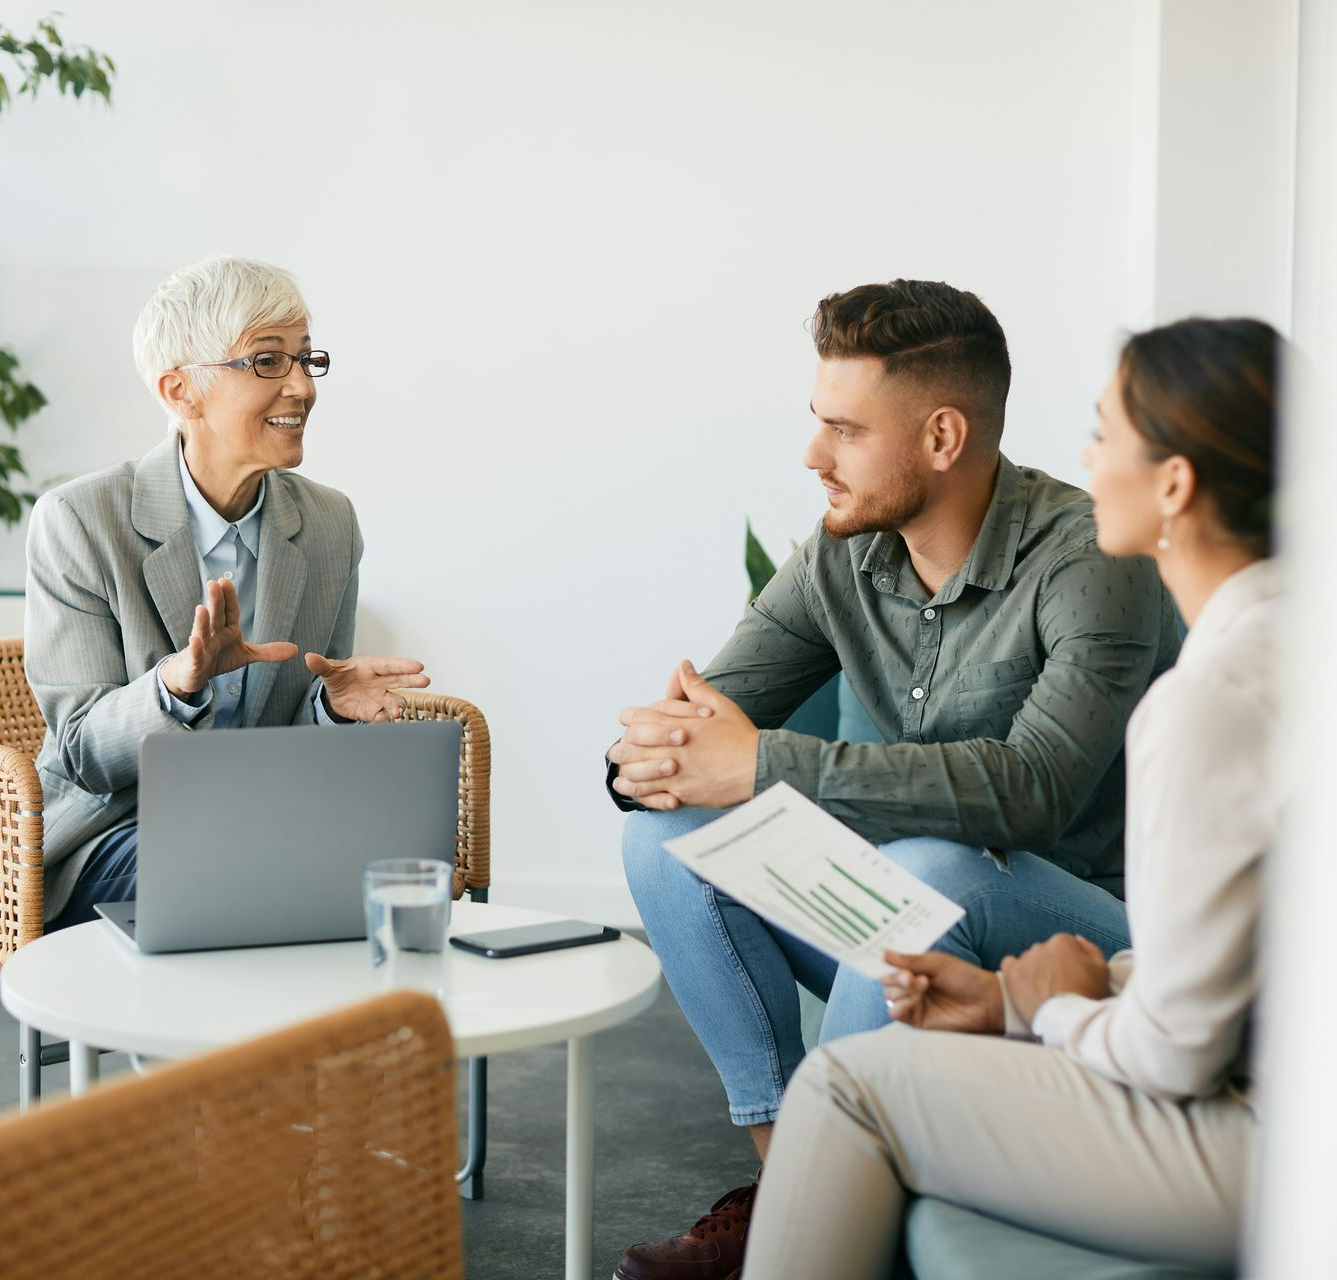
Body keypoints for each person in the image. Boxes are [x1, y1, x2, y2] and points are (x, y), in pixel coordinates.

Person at [608, 279, 1181, 1280]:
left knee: (935, 868)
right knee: (662, 838)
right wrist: (648, 758)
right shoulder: (843, 554)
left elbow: (1033, 786)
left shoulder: (1089, 555)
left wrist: (759, 761)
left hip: (1091, 937)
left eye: (843, 429)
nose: (811, 456)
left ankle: (818, 1216)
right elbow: (700, 725)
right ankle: (793, 1186)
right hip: (908, 934)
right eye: (815, 423)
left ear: (941, 436)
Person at [740, 316, 1278, 1278]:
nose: (1081, 457)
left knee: (846, 1085)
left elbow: (1177, 1058)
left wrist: (1052, 1009)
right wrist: (1005, 1000)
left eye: (1104, 431)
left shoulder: (1207, 703)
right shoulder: (1283, 646)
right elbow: (1262, 969)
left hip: (1278, 1149)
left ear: (1173, 485)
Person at [25, 256, 428, 929]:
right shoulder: (79, 521)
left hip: (266, 819)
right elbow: (77, 753)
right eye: (268, 362)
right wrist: (175, 686)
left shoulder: (329, 524)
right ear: (181, 390)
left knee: (396, 862)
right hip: (113, 831)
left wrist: (330, 710)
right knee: (245, 867)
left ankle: (370, 1033)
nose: (302, 387)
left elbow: (293, 730)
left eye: (307, 359)